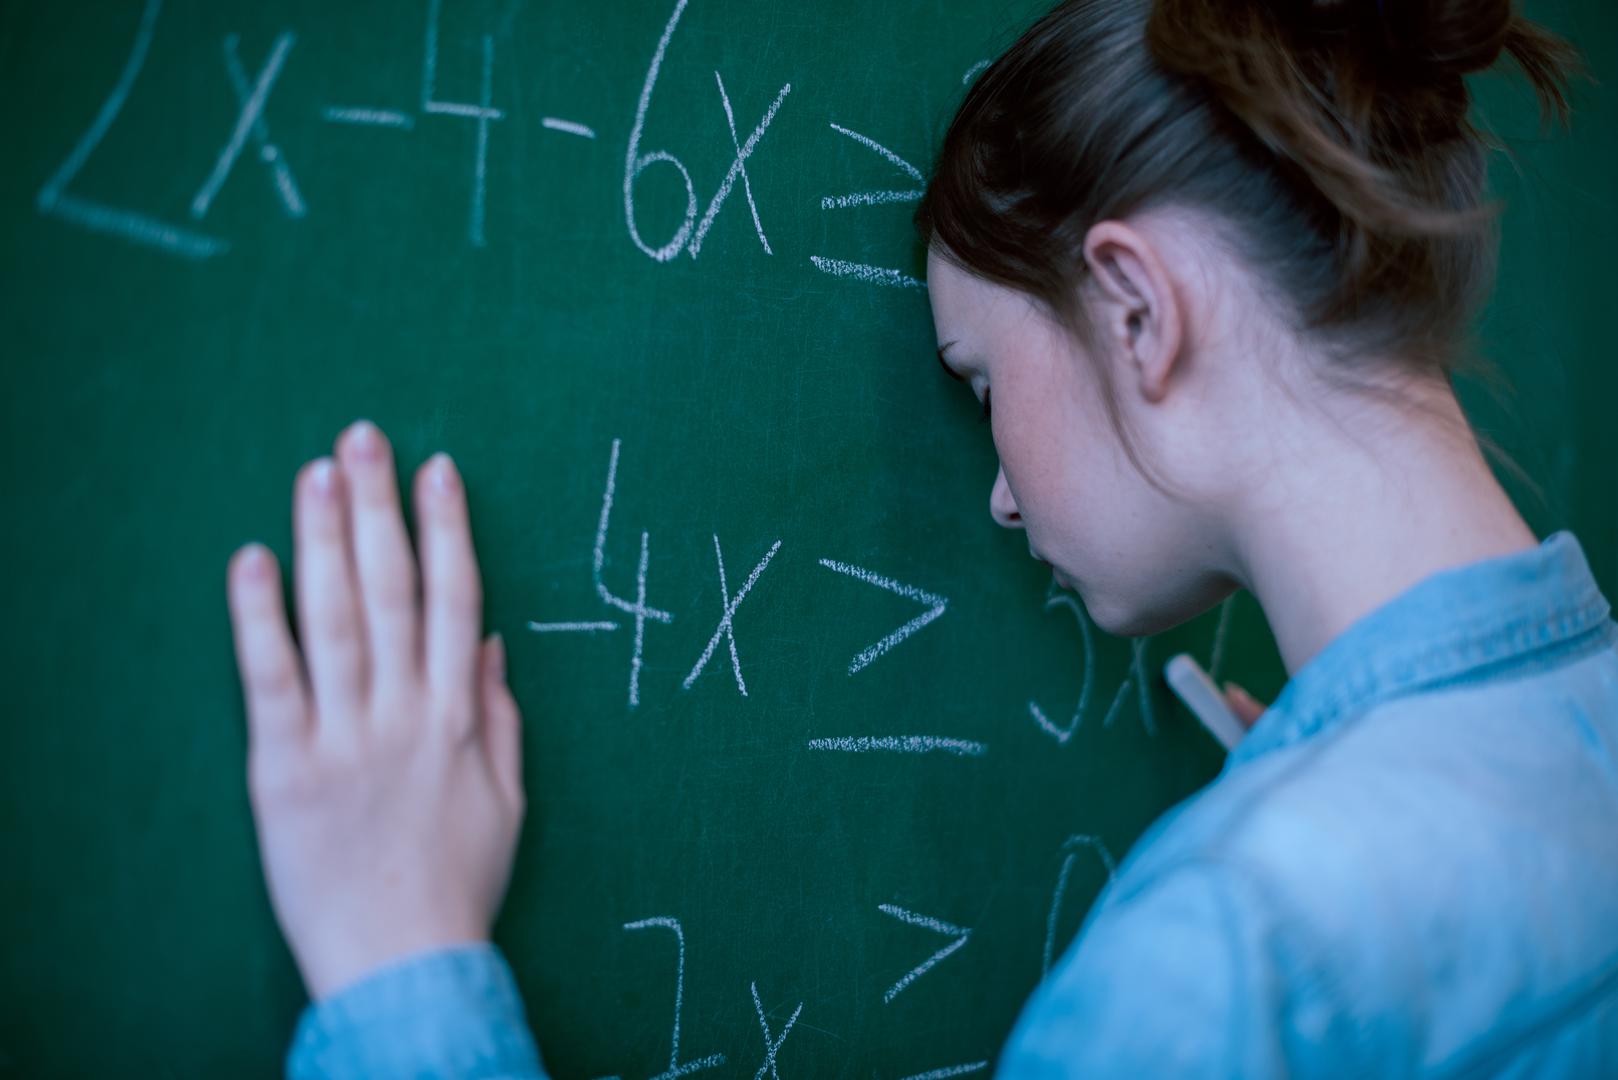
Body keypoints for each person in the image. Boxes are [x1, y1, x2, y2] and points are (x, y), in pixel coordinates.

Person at [225, 0, 1617, 1075]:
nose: (998, 496)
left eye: (982, 383)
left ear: (1136, 311)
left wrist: (400, 972)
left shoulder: (1228, 959)